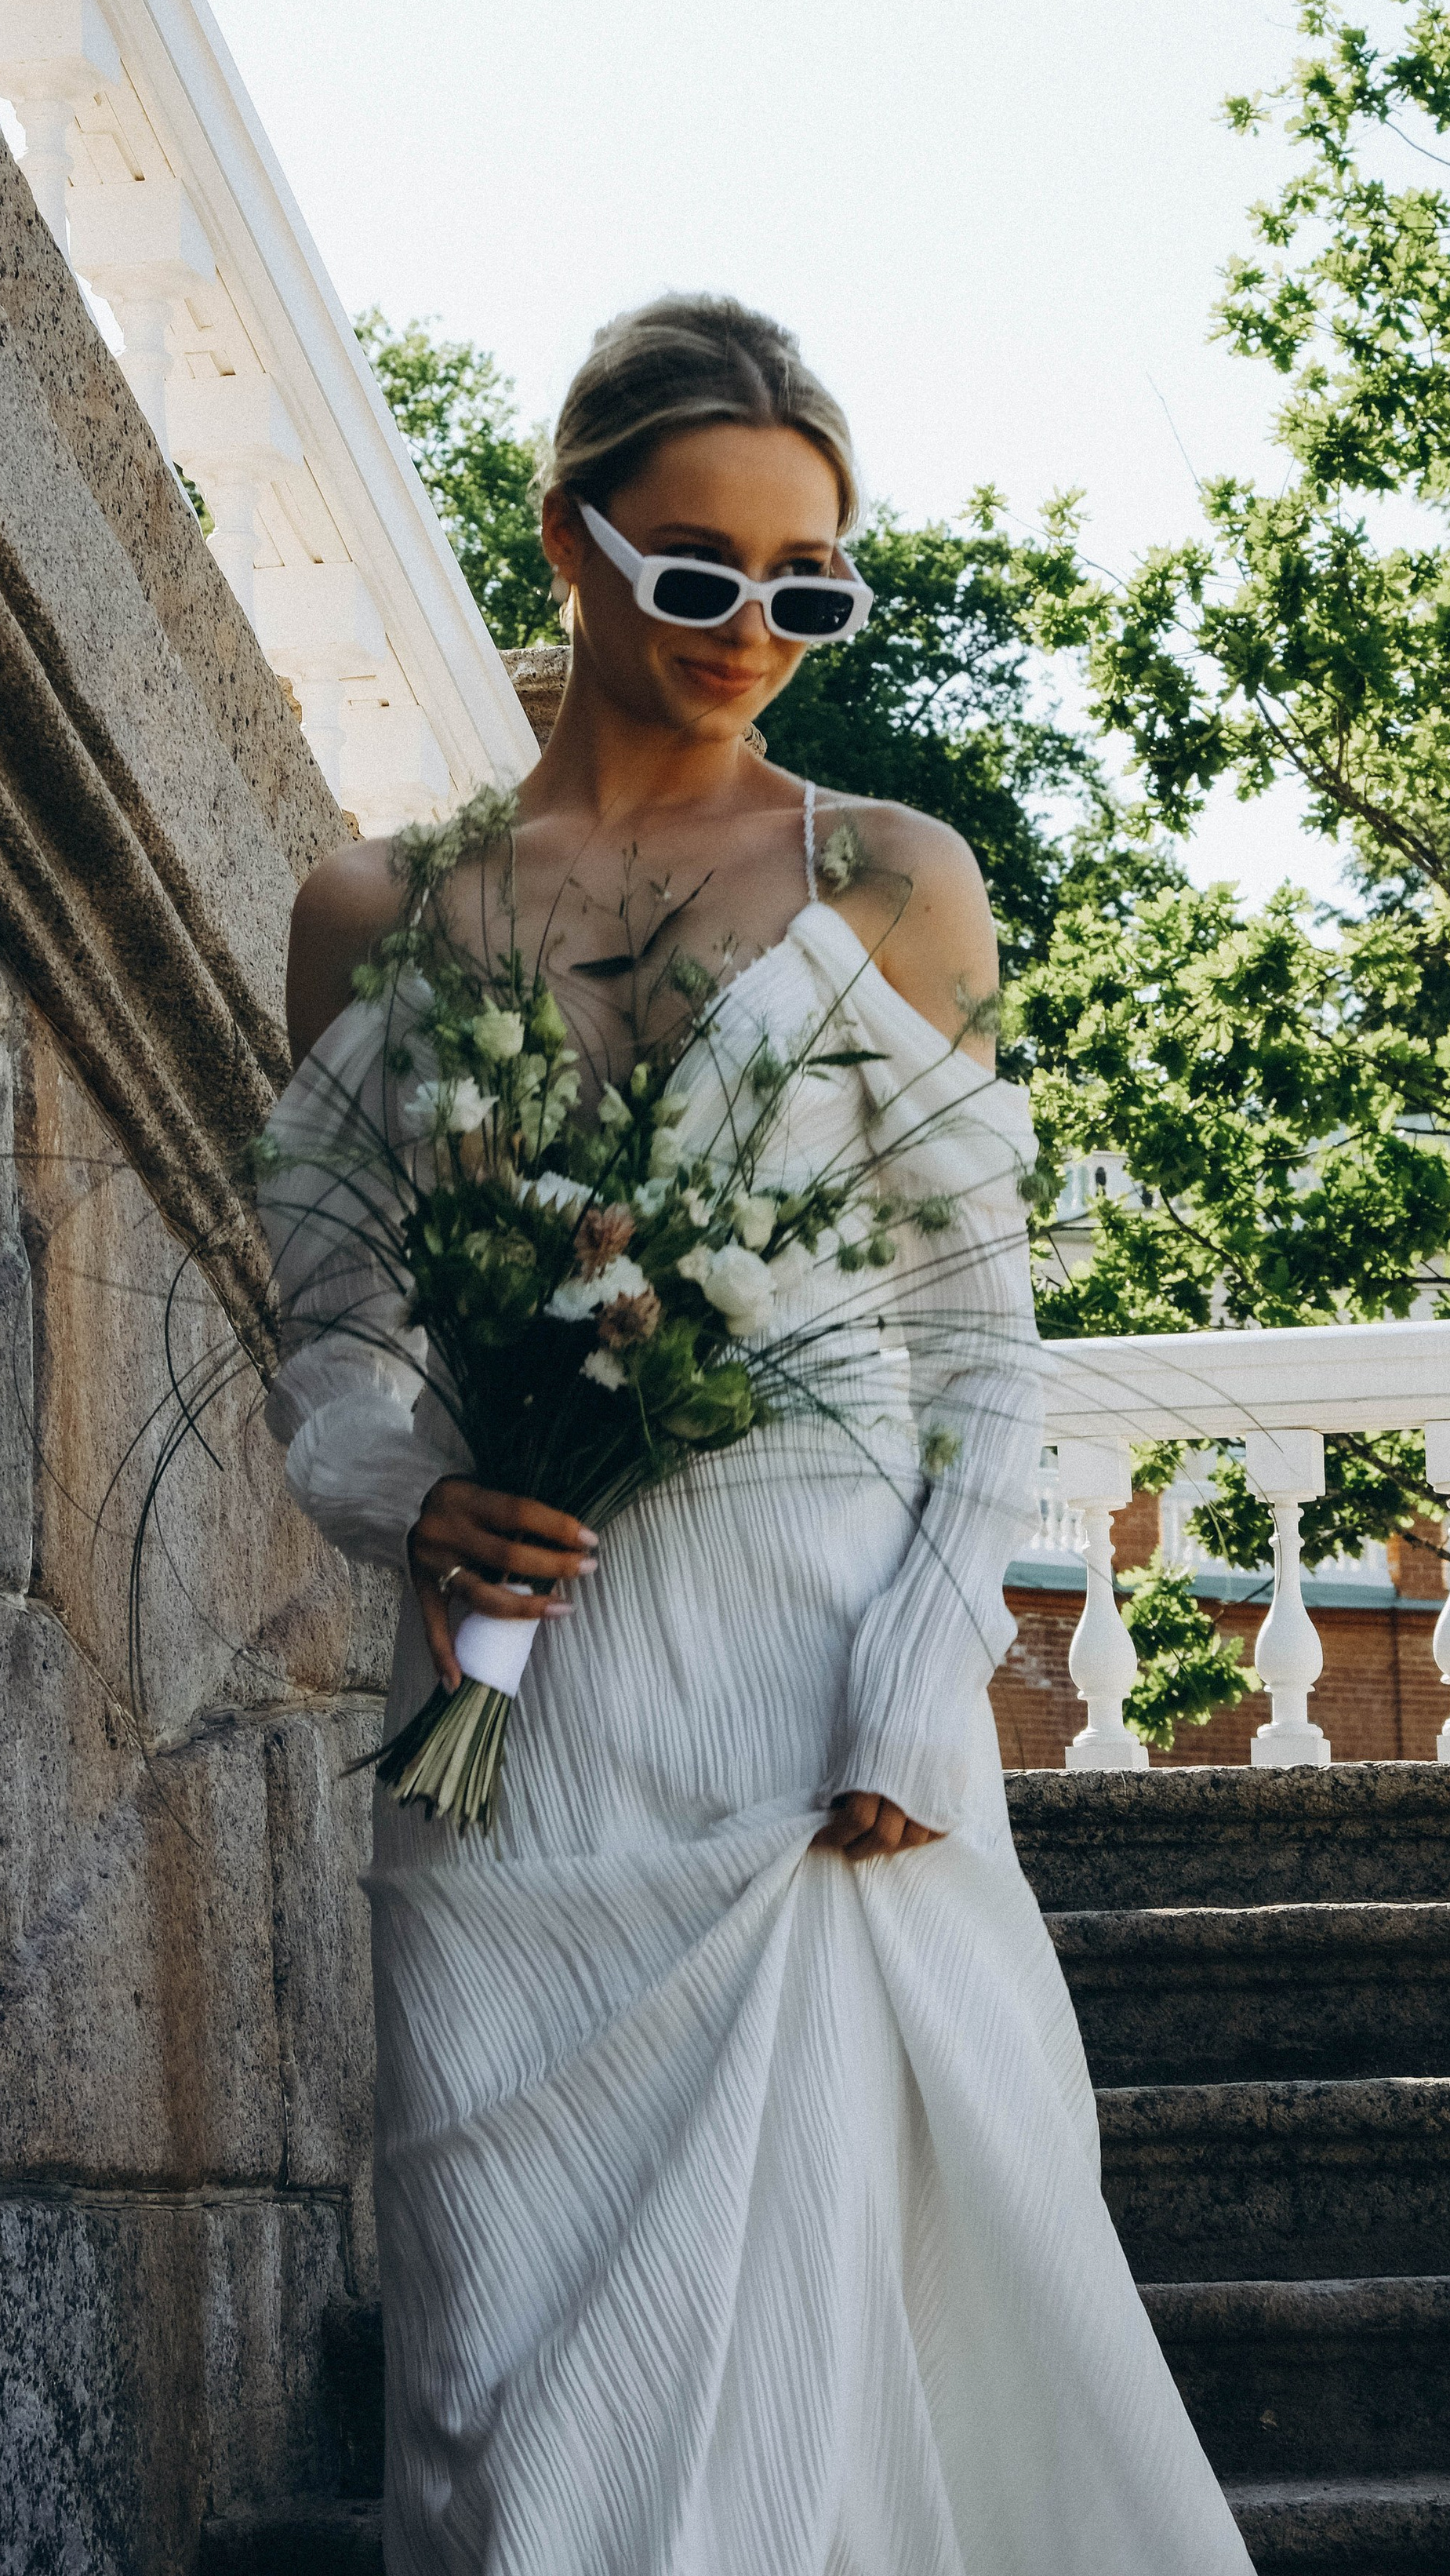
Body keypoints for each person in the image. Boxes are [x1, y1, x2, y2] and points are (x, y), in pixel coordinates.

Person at [268, 295, 1252, 2573]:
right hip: (523, 1734)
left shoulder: (886, 879)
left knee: (829, 2356)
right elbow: (322, 1339)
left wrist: (923, 1667)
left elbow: (980, 1345)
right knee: (510, 2412)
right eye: (697, 571)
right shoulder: (376, 917)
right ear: (570, 542)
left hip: (817, 1712)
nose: (752, 629)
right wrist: (416, 1501)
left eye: (811, 588)